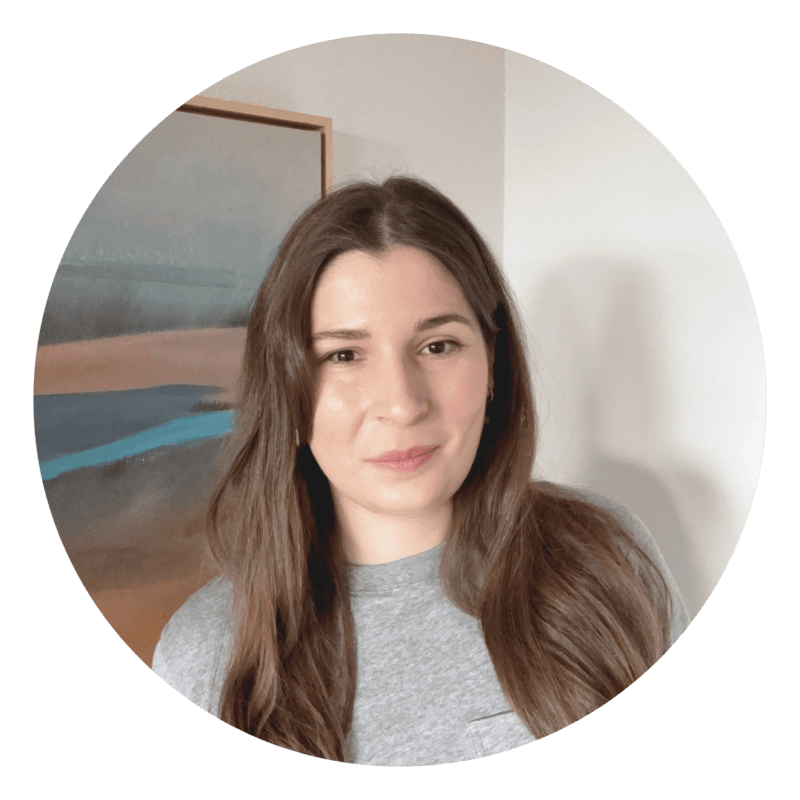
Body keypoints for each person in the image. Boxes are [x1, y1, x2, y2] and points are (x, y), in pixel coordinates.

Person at [152, 176, 689, 766]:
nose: (403, 404)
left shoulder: (603, 555)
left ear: (493, 366)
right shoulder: (206, 656)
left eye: (438, 346)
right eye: (343, 355)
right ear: (288, 394)